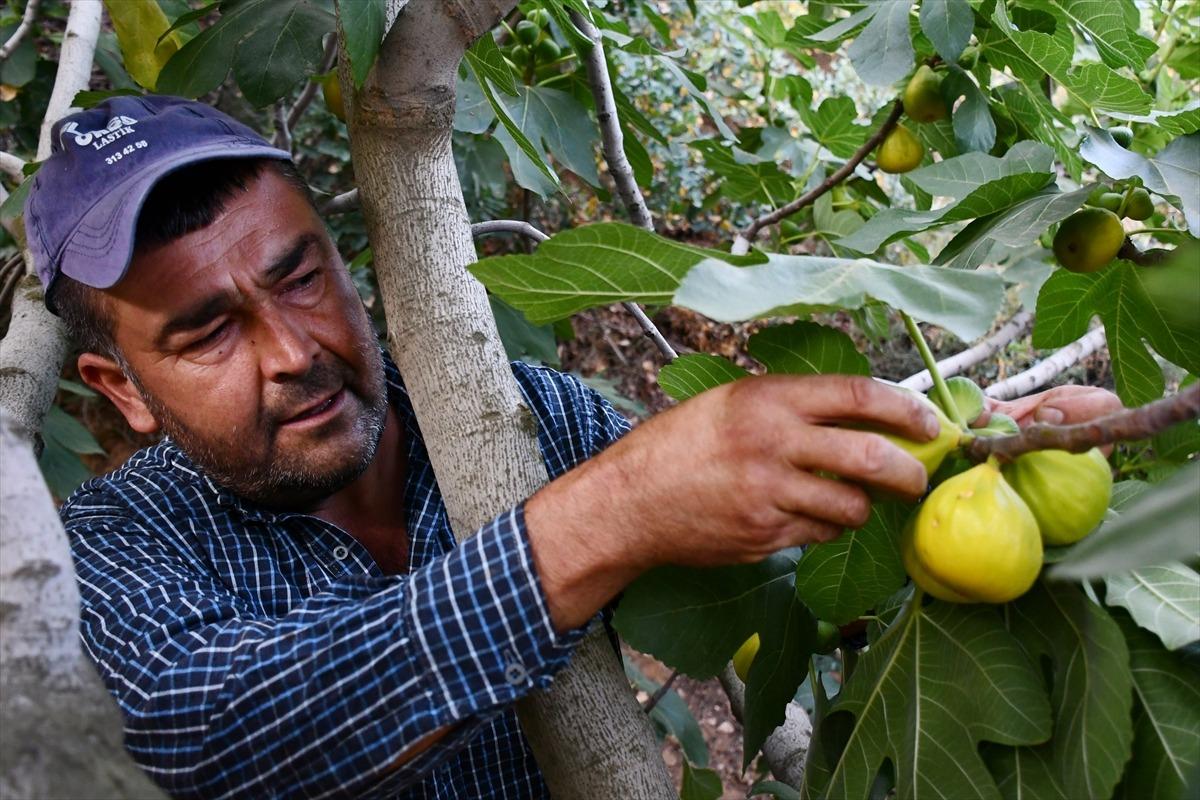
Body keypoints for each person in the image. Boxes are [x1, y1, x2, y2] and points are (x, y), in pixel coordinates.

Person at [28, 96, 1121, 799]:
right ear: (119, 387)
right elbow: (215, 733)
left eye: (299, 276)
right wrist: (607, 513)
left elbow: (748, 551)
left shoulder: (524, 415)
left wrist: (960, 458)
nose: (292, 350)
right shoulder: (117, 549)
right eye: (210, 331)